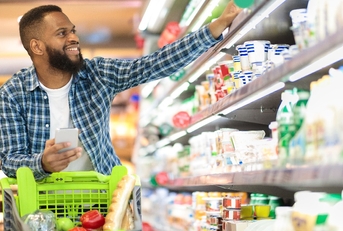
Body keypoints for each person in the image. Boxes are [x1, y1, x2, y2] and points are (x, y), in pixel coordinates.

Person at [0, 2, 241, 180]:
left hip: (102, 198)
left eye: (73, 31)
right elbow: (10, 160)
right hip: (43, 204)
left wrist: (213, 29)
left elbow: (153, 64)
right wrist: (42, 163)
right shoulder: (13, 94)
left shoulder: (97, 73)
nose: (74, 38)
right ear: (37, 46)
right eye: (62, 33)